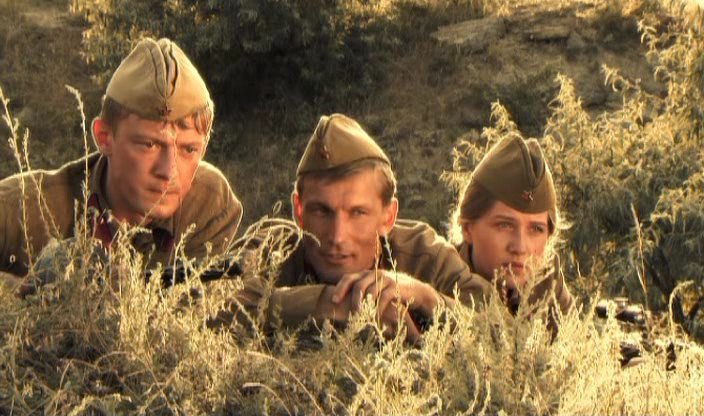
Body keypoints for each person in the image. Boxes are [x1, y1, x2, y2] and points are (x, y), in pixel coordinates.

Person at [217, 114, 489, 341]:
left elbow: (501, 327)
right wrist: (331, 304)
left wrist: (426, 298)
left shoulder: (423, 253)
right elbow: (210, 306)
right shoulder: (273, 249)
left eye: (358, 213)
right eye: (322, 211)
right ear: (298, 211)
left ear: (388, 217)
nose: (337, 236)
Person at [0, 37, 242, 288]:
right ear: (104, 137)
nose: (169, 171)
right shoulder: (23, 208)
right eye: (149, 145)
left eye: (189, 149)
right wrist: (28, 293)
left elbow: (201, 304)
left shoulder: (208, 204)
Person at [453, 135, 572, 316]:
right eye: (504, 225)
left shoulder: (547, 282)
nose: (520, 247)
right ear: (467, 228)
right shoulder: (440, 279)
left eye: (536, 229)